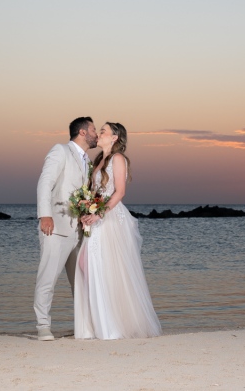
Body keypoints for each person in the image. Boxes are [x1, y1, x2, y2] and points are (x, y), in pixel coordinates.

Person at [74, 122, 162, 339]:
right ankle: (97, 323)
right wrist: (85, 211)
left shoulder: (118, 159)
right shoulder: (98, 161)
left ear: (114, 138)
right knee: (87, 263)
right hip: (96, 216)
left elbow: (120, 192)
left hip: (110, 217)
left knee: (106, 267)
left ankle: (111, 326)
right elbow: (94, 192)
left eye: (103, 130)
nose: (100, 133)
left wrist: (98, 214)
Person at [34, 116, 98, 341]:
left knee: (80, 281)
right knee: (48, 278)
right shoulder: (60, 151)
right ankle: (43, 326)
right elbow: (45, 182)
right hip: (56, 227)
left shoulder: (88, 162)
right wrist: (45, 215)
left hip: (80, 231)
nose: (96, 133)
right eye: (93, 129)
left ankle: (83, 326)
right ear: (82, 132)